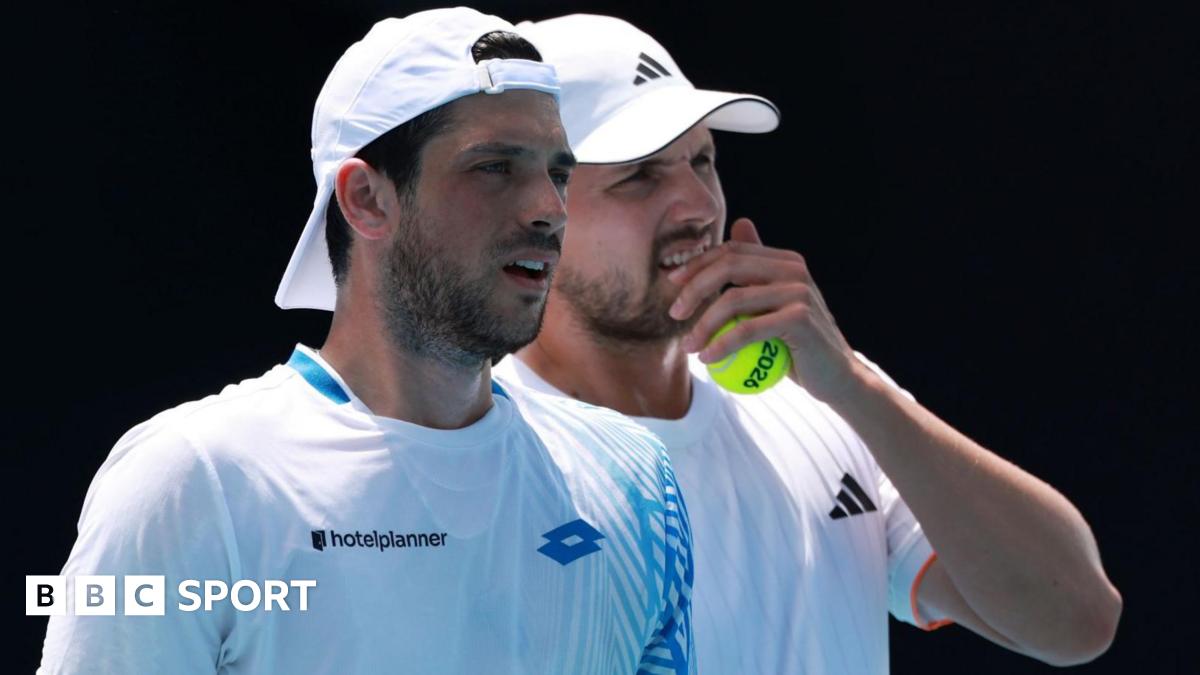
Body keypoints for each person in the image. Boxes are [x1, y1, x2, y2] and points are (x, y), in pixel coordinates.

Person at [38, 9, 693, 674]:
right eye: (495, 166)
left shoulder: (637, 480)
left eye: (558, 172)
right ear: (366, 198)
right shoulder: (190, 480)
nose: (550, 208)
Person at [493, 13, 1122, 673]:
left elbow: (1079, 620)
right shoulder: (465, 445)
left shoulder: (828, 399)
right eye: (642, 175)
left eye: (702, 160)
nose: (698, 205)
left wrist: (854, 384)